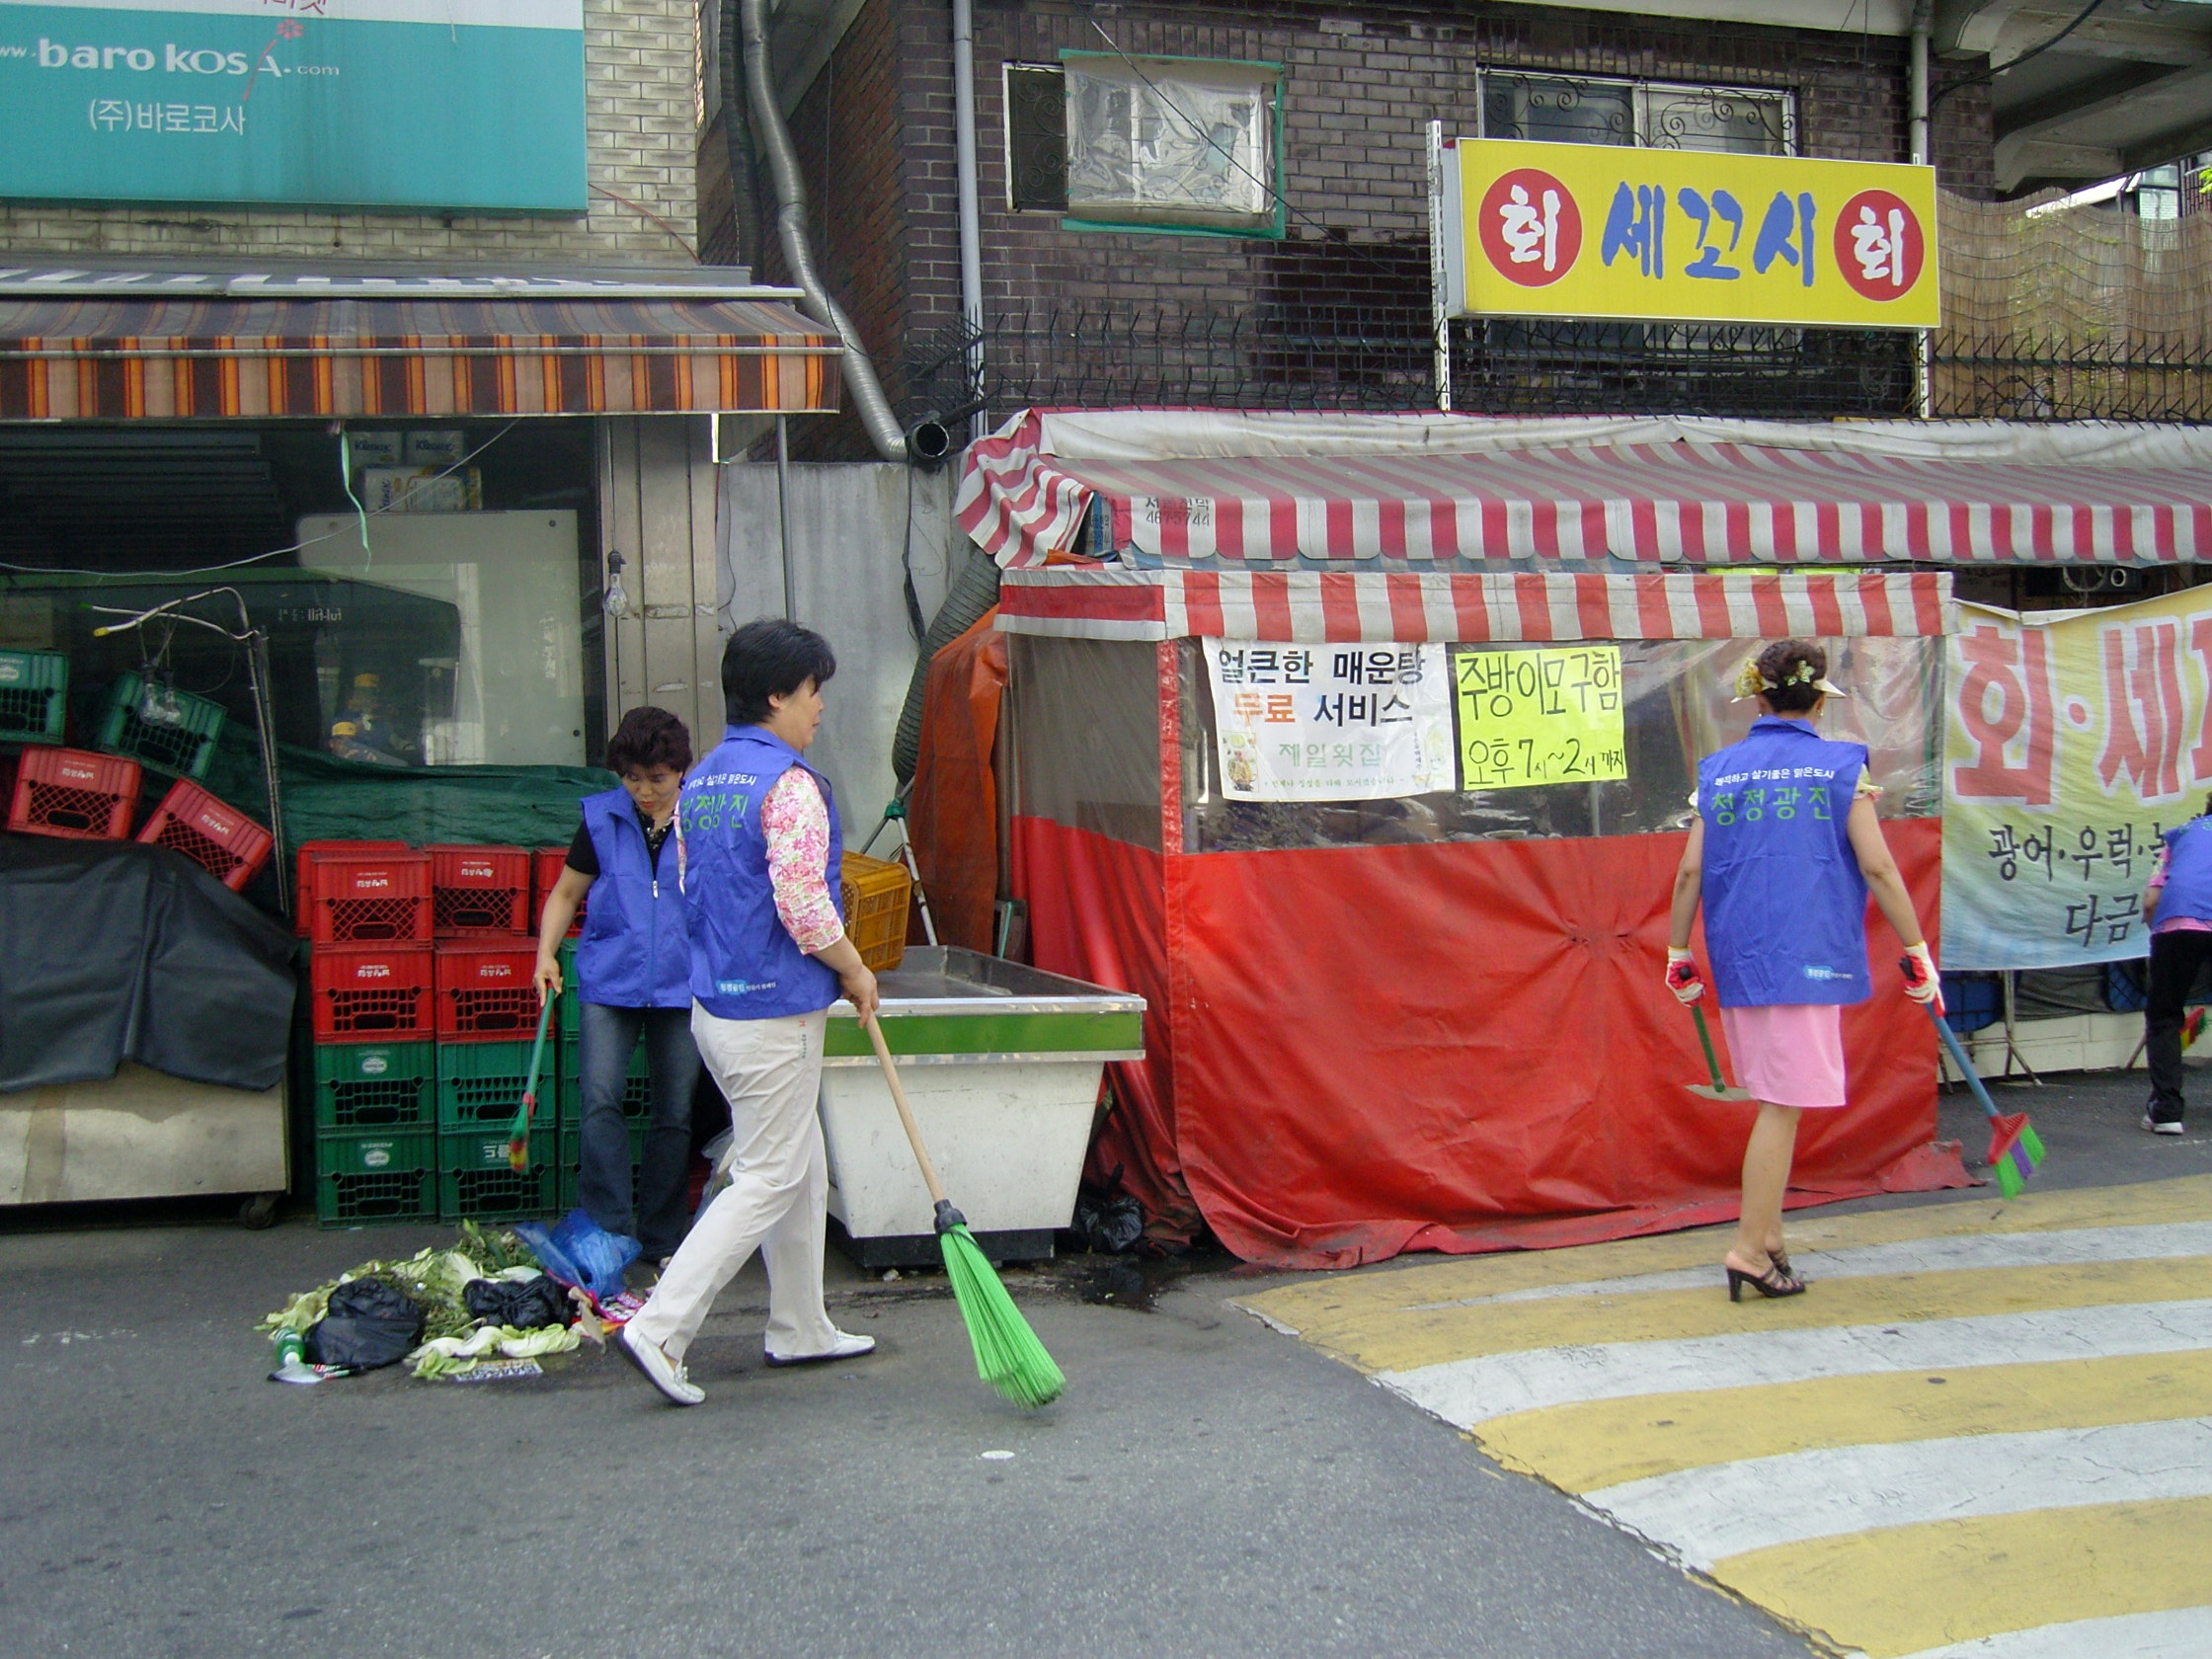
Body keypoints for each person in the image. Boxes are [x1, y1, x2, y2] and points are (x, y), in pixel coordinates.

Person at [615, 618, 881, 1405]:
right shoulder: (789, 784)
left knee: (800, 1164)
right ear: (776, 695)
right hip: (774, 1013)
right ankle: (661, 1328)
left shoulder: (704, 779)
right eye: (812, 692)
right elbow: (804, 907)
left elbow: (699, 887)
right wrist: (858, 971)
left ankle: (801, 1326)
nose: (820, 708)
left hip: (718, 1007)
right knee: (769, 1174)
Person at [1664, 639, 1939, 1302]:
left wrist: (1678, 952)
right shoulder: (1842, 765)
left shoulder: (1721, 770)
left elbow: (1692, 870)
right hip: (1806, 958)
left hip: (1741, 958)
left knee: (1773, 1100)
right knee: (1783, 1107)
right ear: (1820, 699)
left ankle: (1772, 1238)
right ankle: (1748, 1249)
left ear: (1756, 696)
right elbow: (1876, 866)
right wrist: (1916, 948)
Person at [534, 707, 703, 1267]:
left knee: (674, 1113)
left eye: (657, 778)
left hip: (684, 986)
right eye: (632, 778)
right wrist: (545, 957)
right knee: (600, 1100)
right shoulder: (602, 818)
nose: (644, 790)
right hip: (609, 981)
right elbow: (564, 895)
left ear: (682, 770)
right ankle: (605, 1230)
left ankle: (661, 1238)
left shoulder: (704, 818)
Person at [2138, 794, 2212, 1135]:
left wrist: (2159, 934)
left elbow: (2152, 899)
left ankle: (2166, 1112)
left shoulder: (2180, 835)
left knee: (2165, 1015)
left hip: (2178, 925)